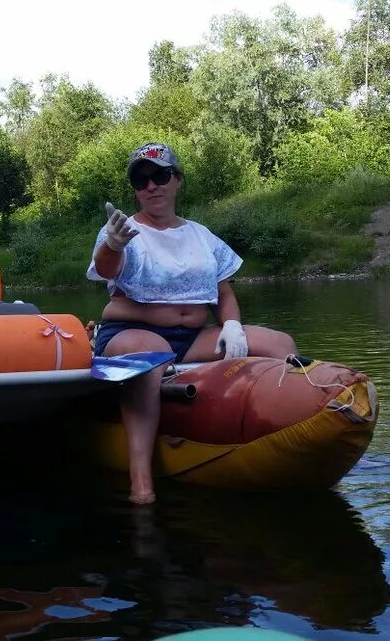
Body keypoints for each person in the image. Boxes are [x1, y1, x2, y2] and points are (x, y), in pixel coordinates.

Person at [87, 142, 297, 505]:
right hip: (131, 336)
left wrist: (232, 325)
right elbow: (106, 269)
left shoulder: (202, 236)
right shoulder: (121, 230)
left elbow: (224, 293)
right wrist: (113, 244)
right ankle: (142, 486)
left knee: (280, 344)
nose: (151, 186)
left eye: (160, 176)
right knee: (151, 354)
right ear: (135, 189)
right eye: (141, 180)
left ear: (178, 180)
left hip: (189, 337)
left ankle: (283, 436)